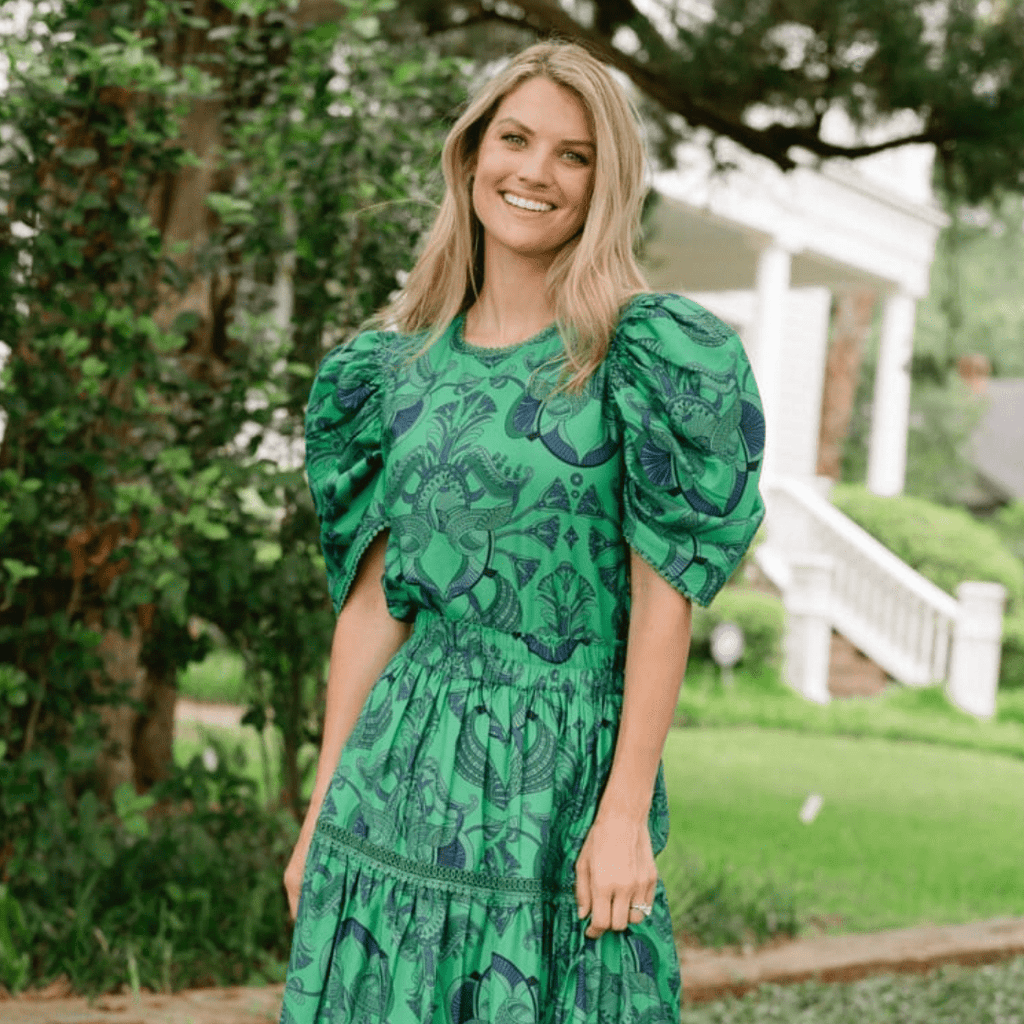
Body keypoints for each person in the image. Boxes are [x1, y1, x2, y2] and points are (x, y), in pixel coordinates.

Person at [279, 39, 765, 1024]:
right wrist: (322, 805)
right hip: (399, 770)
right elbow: (376, 602)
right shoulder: (392, 370)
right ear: (470, 158)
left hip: (566, 778)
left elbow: (659, 600)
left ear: (603, 185)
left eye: (572, 154)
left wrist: (624, 810)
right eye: (514, 139)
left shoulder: (643, 357)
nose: (534, 172)